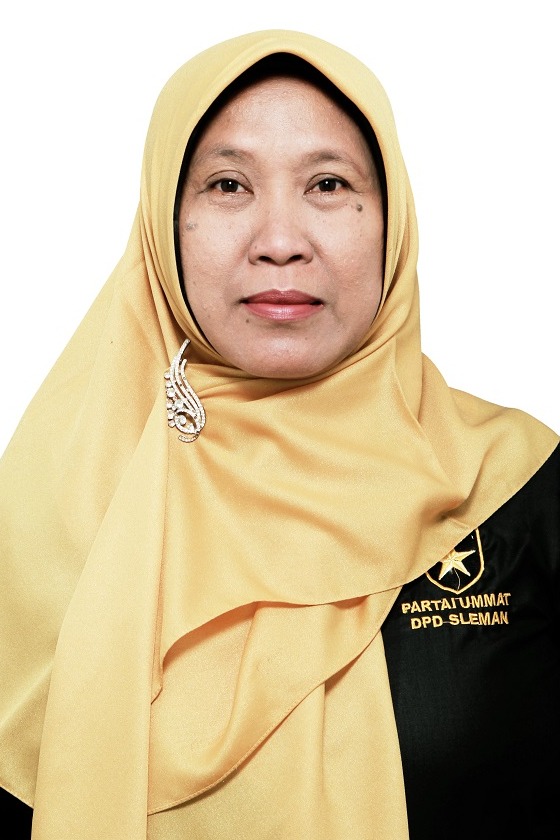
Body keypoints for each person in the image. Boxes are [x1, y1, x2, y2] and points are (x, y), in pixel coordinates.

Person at [0, 29, 558, 840]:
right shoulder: (50, 509)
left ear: (392, 219)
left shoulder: (520, 484)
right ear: (166, 225)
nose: (280, 241)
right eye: (228, 186)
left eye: (328, 184)